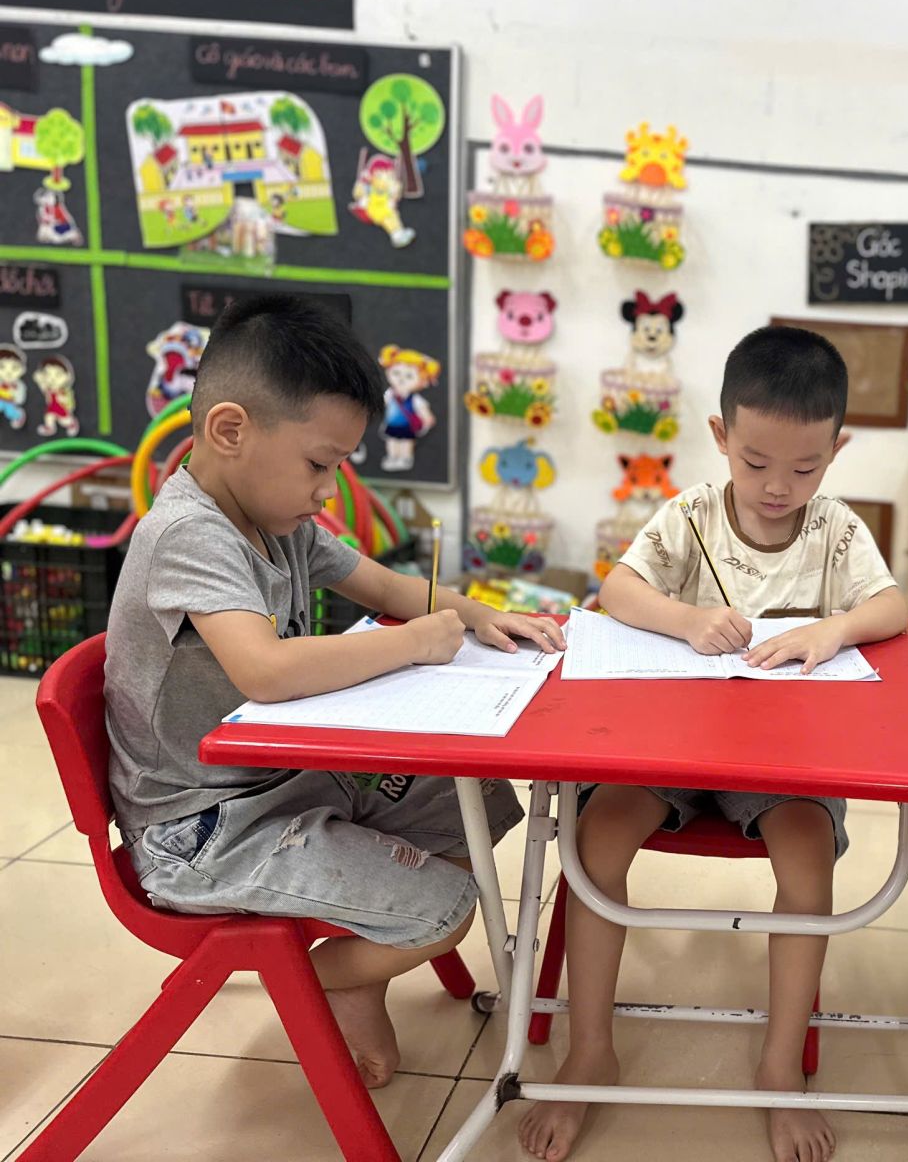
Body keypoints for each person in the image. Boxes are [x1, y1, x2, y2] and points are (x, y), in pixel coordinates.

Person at [104, 294, 566, 1089]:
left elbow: (384, 585)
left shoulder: (275, 519)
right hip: (201, 827)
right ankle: (319, 984)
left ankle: (362, 968)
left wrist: (480, 613)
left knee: (473, 800)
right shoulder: (189, 534)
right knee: (443, 912)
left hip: (280, 779)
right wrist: (412, 643)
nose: (328, 489)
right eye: (320, 464)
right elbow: (265, 670)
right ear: (229, 430)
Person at [519, 326, 908, 1162]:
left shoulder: (835, 530)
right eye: (756, 461)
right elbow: (618, 589)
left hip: (782, 759)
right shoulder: (691, 515)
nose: (778, 487)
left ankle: (778, 1067)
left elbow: (892, 608)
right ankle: (592, 1049)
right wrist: (688, 619)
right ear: (721, 436)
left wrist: (834, 630)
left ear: (836, 452)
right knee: (595, 840)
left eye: (805, 468)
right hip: (669, 748)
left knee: (808, 856)